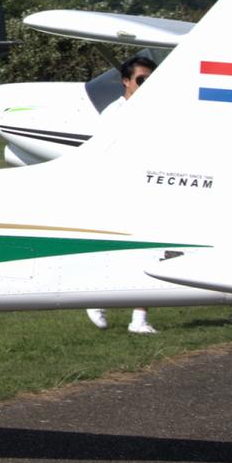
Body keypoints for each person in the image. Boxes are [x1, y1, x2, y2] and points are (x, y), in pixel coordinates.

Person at [88, 55, 160, 335]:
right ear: (126, 82)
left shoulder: (162, 111)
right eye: (141, 80)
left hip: (149, 189)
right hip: (117, 190)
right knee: (107, 250)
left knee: (152, 251)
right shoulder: (113, 114)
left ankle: (139, 319)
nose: (146, 85)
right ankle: (95, 299)